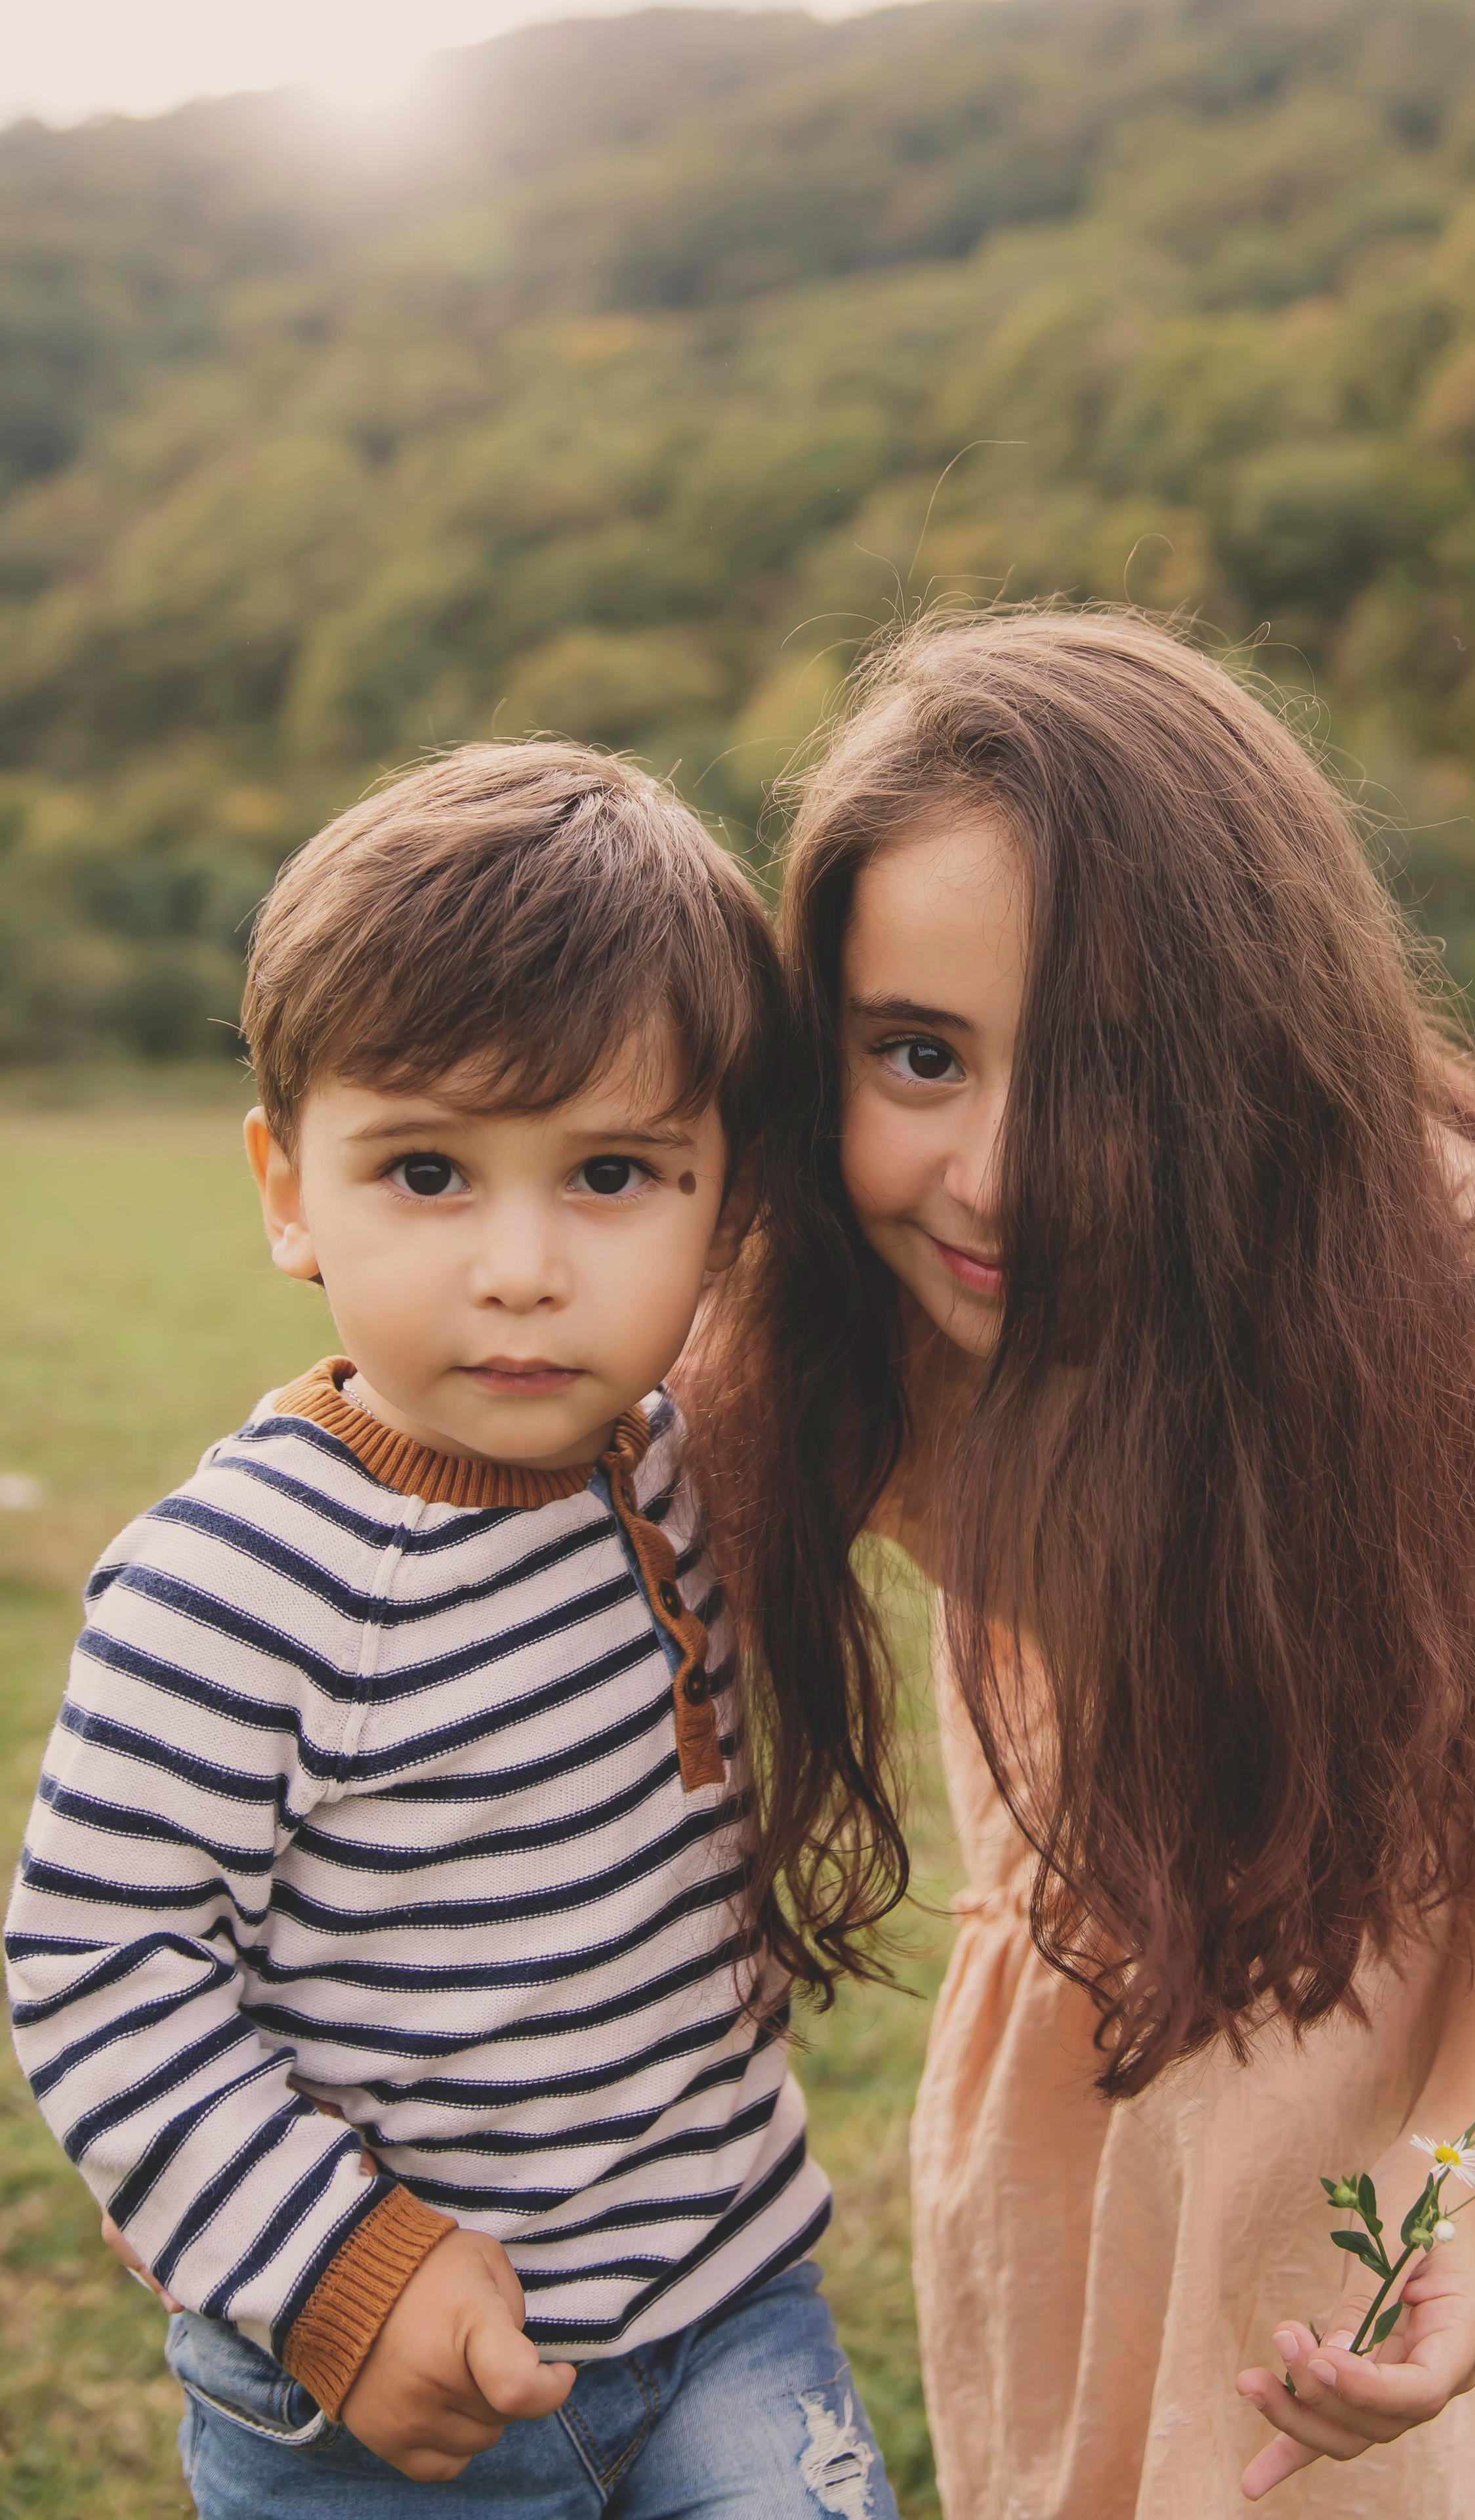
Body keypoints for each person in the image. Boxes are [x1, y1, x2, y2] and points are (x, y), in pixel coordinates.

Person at [697, 608, 1475, 2518]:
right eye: (918, 1055)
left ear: (1257, 1045)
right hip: (1102, 2057)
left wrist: (1448, 2173)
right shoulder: (839, 1291)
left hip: (1435, 2051)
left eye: (1104, 1068)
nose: (997, 1174)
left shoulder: (1456, 1292)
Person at [5, 743, 903, 2520]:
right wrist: (342, 2273)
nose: (519, 1265)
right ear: (286, 1188)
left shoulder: (693, 1467)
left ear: (728, 1202)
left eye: (614, 1174)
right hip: (371, 2399)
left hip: (731, 2301)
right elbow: (101, 1965)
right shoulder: (233, 1583)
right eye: (426, 1172)